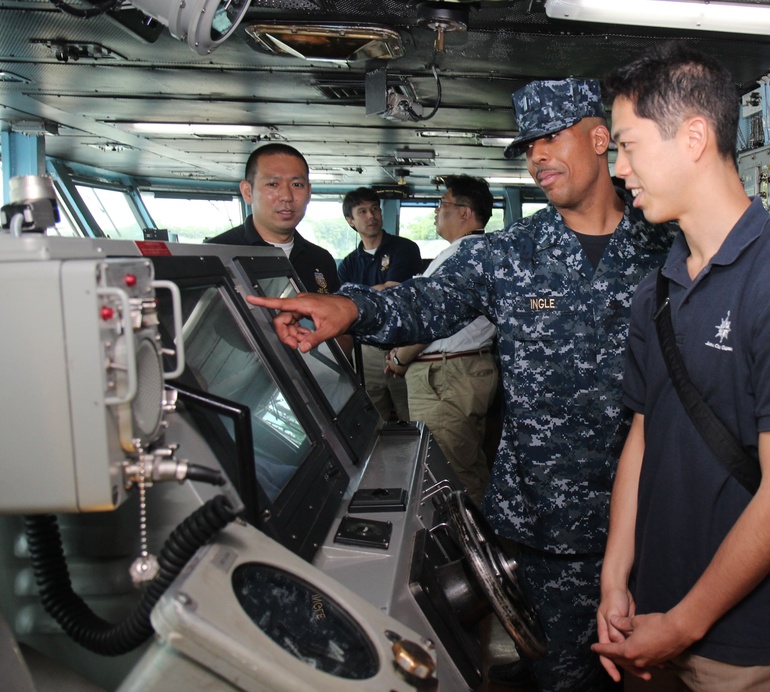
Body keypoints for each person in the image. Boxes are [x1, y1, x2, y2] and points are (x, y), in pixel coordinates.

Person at [246, 78, 672, 692]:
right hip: (545, 524)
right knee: (560, 675)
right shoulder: (507, 255)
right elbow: (426, 302)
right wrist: (351, 308)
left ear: (600, 137)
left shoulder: (666, 242)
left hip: (654, 515)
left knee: (657, 673)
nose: (537, 156)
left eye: (552, 136)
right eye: (528, 145)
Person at [592, 46, 770, 690]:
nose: (619, 169)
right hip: (651, 613)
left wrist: (683, 626)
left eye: (627, 145)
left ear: (695, 138)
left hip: (742, 642)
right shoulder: (659, 285)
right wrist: (614, 577)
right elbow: (643, 435)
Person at [385, 175, 498, 506]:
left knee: (451, 475)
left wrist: (400, 358)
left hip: (444, 378)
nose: (436, 212)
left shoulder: (464, 256)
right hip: (458, 372)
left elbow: (431, 317)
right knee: (467, 465)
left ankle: (477, 553)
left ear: (464, 212)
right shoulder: (471, 252)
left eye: (441, 204)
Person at [206, 143, 340, 296]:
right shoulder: (213, 257)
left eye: (297, 185)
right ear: (248, 192)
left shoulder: (321, 260)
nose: (287, 196)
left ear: (309, 192)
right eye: (273, 184)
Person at [338, 186, 422, 422]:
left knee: (411, 418)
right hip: (365, 352)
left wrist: (356, 297)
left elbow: (394, 292)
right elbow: (345, 305)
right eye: (362, 211)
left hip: (402, 348)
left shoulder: (404, 249)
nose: (371, 216)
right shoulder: (348, 264)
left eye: (375, 209)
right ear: (351, 221)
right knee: (375, 421)